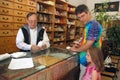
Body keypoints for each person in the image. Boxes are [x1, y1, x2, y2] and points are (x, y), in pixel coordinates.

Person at [69, 4, 103, 80]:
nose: (81, 19)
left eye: (83, 16)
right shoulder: (88, 25)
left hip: (89, 61)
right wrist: (79, 46)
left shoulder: (93, 25)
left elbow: (89, 43)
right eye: (79, 17)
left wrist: (76, 50)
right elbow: (86, 41)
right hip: (86, 61)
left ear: (88, 13)